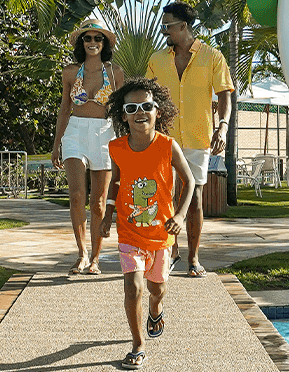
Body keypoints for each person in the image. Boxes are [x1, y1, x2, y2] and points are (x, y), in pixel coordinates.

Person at [102, 78, 195, 371]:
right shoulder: (116, 147)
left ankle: (156, 309)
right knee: (133, 288)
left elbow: (189, 181)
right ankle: (138, 345)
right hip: (129, 232)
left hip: (160, 233)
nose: (140, 112)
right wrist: (107, 213)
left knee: (156, 288)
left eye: (146, 106)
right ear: (124, 114)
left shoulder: (168, 146)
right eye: (132, 107)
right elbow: (116, 181)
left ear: (158, 111)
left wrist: (179, 216)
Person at [144, 1, 234, 277]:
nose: (164, 31)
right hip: (163, 139)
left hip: (197, 138)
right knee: (162, 198)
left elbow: (224, 96)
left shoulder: (213, 57)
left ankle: (194, 258)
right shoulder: (157, 60)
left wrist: (223, 127)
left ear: (183, 26)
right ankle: (170, 254)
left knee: (194, 198)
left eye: (167, 26)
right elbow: (148, 97)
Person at [52, 20, 125, 275]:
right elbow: (64, 109)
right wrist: (56, 144)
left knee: (99, 201)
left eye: (97, 39)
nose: (92, 43)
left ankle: (96, 258)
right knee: (76, 196)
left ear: (104, 44)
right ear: (81, 43)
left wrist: (126, 145)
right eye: (87, 39)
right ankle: (81, 254)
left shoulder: (115, 73)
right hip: (75, 131)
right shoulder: (71, 72)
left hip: (105, 133)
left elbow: (121, 111)